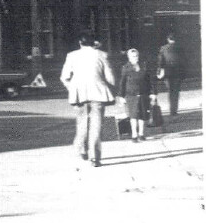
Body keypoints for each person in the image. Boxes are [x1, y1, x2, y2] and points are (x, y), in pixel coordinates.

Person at [60, 31, 116, 167]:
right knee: (96, 126)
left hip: (79, 95)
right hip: (98, 93)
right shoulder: (102, 55)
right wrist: (112, 87)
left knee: (81, 124)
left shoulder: (72, 56)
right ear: (94, 43)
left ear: (80, 43)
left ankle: (82, 149)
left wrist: (72, 88)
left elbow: (64, 77)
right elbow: (111, 78)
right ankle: (95, 158)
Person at [118, 49, 156, 142]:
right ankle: (134, 135)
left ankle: (141, 134)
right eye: (133, 56)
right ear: (129, 57)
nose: (135, 58)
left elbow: (149, 81)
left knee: (142, 115)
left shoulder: (143, 66)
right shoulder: (125, 68)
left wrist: (153, 93)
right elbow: (122, 83)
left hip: (143, 94)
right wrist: (121, 96)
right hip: (131, 95)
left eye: (136, 56)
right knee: (133, 115)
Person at [157, 33, 183, 115]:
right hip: (178, 73)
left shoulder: (163, 48)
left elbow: (160, 62)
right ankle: (174, 110)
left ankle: (171, 109)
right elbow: (184, 61)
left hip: (168, 73)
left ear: (168, 39)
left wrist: (159, 71)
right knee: (176, 91)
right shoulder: (180, 48)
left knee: (170, 91)